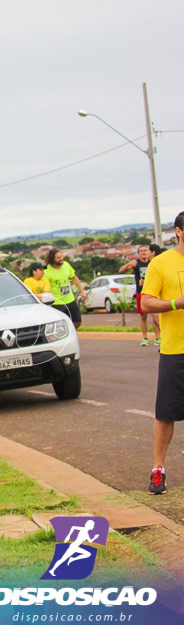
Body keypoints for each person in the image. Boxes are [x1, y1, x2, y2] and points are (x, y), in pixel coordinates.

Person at [140, 211, 184, 496]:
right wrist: (176, 304)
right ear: (179, 231)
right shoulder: (162, 263)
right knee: (166, 413)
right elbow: (145, 302)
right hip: (175, 350)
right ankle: (158, 469)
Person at [120, 245, 161, 346]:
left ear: (149, 252)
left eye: (145, 250)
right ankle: (144, 337)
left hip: (153, 292)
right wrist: (129, 264)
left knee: (156, 317)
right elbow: (121, 270)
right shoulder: (136, 263)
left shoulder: (152, 262)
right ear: (138, 253)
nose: (144, 252)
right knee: (143, 316)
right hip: (140, 292)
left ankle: (158, 337)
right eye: (141, 251)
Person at [43, 248, 88, 329]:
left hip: (70, 299)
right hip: (57, 302)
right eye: (58, 258)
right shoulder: (47, 271)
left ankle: (70, 333)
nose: (61, 259)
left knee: (77, 322)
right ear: (52, 259)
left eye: (61, 256)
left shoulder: (66, 265)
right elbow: (46, 287)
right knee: (61, 325)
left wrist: (82, 291)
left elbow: (74, 278)